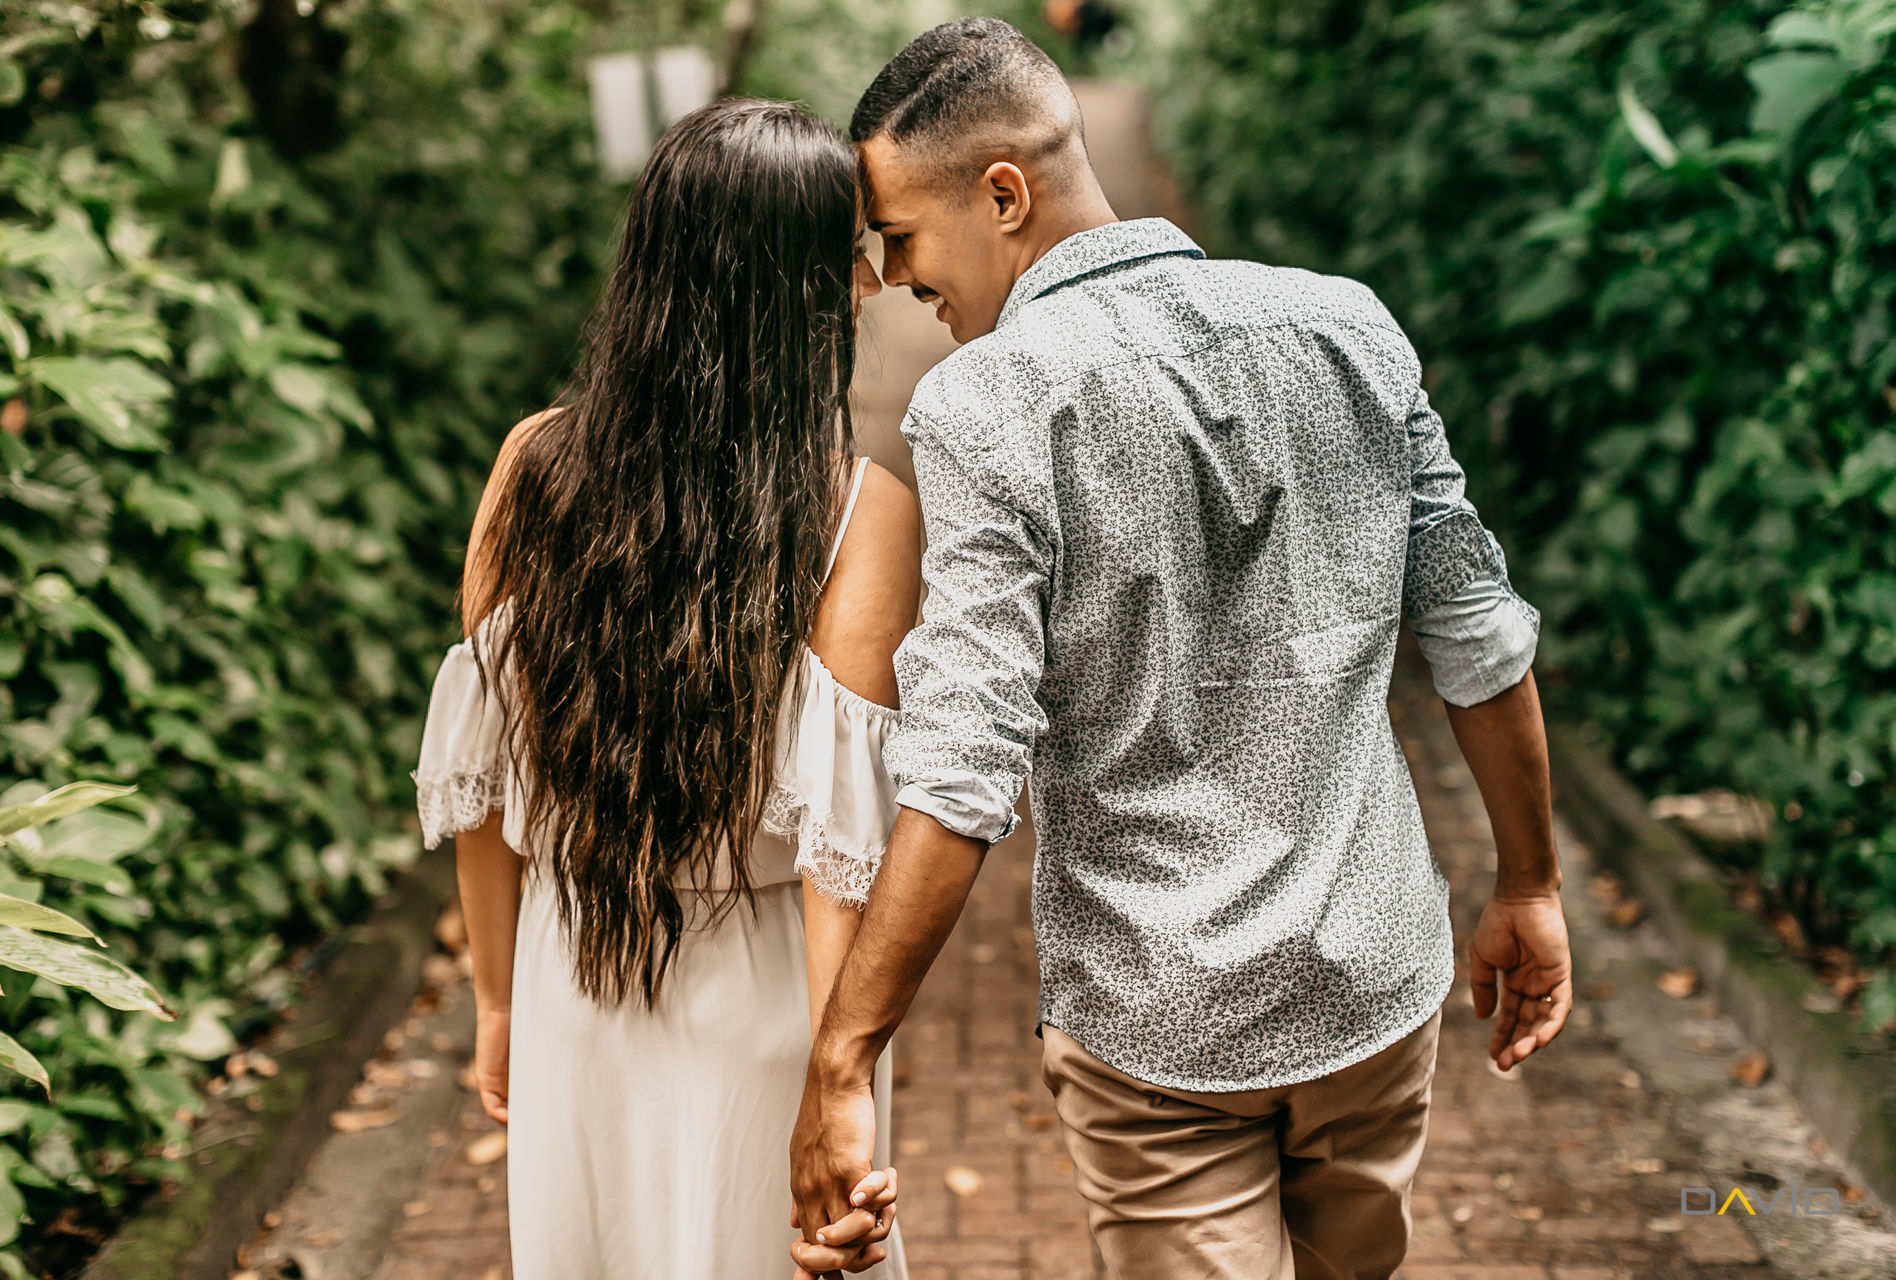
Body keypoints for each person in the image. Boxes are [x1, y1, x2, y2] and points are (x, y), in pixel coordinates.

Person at [788, 19, 1572, 1280]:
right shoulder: (1346, 324)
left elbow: (965, 766)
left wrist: (842, 1053)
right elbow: (1476, 631)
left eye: (904, 242)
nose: (898, 284)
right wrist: (1528, 884)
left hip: (1162, 1027)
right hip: (1374, 980)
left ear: (1004, 194)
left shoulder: (990, 400)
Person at [411, 98, 923, 1280]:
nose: (865, 289)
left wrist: (497, 1002)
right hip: (762, 1003)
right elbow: (839, 849)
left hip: (572, 974)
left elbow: (482, 789)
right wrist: (833, 1081)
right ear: (781, 289)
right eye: (845, 258)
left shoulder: (530, 464)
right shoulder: (859, 511)